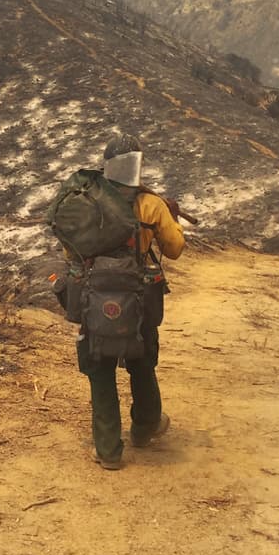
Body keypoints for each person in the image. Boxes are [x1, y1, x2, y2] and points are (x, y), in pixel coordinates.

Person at [76, 134, 185, 470]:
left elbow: (70, 250)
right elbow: (175, 249)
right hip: (138, 297)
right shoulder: (150, 205)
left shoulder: (88, 202)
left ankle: (108, 450)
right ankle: (145, 427)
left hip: (96, 297)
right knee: (142, 360)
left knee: (100, 368)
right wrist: (171, 219)